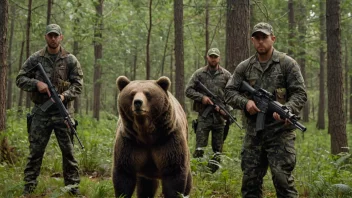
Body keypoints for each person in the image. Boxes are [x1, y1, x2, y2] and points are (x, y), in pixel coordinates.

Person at [225, 22, 307, 198]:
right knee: (250, 184)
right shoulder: (244, 67)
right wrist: (245, 103)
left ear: (273, 38)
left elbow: (300, 93)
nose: (261, 41)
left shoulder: (287, 64)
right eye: (257, 38)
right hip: (253, 135)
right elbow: (229, 92)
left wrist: (288, 108)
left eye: (265, 37)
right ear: (252, 40)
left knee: (283, 182)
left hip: (280, 134)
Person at [16, 24, 83, 196]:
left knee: (68, 152)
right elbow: (20, 78)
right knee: (35, 152)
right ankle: (29, 187)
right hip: (41, 112)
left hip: (63, 112)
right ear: (46, 37)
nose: (53, 39)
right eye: (50, 36)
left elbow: (78, 85)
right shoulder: (36, 58)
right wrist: (36, 84)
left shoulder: (70, 60)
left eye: (56, 36)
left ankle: (72, 188)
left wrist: (63, 96)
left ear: (61, 37)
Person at [185, 48, 232, 173]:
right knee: (200, 147)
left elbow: (233, 94)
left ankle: (213, 173)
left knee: (218, 149)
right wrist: (202, 98)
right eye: (211, 56)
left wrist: (225, 110)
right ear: (207, 57)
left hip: (219, 118)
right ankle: (196, 172)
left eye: (215, 57)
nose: (213, 59)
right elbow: (188, 90)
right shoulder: (199, 74)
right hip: (204, 117)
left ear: (219, 58)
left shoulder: (226, 75)